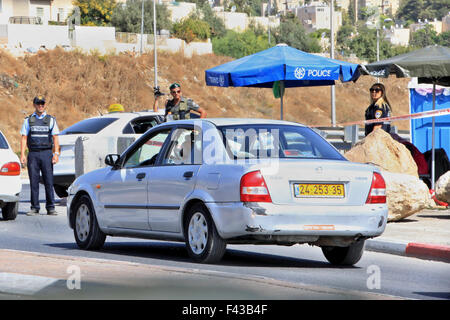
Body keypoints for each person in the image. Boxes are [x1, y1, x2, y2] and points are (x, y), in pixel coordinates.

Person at [20, 96, 60, 216]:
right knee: (34, 181)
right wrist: (22, 154)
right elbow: (24, 138)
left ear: (45, 105)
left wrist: (56, 153)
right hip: (33, 154)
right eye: (38, 103)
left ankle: (50, 207)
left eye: (42, 104)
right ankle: (35, 207)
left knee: (49, 181)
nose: (40, 106)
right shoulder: (28, 120)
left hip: (47, 153)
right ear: (34, 105)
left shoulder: (51, 120)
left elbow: (55, 138)